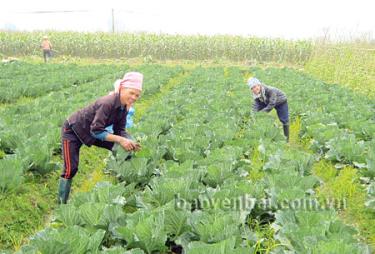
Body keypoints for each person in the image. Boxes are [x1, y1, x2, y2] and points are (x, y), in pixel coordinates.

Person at [58, 72, 143, 204]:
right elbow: (96, 130)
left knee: (122, 148)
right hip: (73, 130)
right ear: (121, 89)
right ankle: (61, 205)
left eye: (137, 95)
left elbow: (120, 130)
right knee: (71, 168)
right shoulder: (107, 103)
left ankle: (122, 182)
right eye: (131, 93)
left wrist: (129, 140)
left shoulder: (124, 108)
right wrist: (121, 139)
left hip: (92, 131)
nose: (134, 97)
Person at [248, 77, 289, 142]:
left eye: (255, 86)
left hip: (280, 101)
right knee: (259, 114)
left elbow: (272, 103)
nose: (255, 89)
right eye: (252, 88)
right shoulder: (256, 95)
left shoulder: (269, 90)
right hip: (266, 101)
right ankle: (270, 129)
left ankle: (286, 140)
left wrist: (263, 112)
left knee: (284, 120)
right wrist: (253, 115)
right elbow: (255, 106)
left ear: (259, 85)